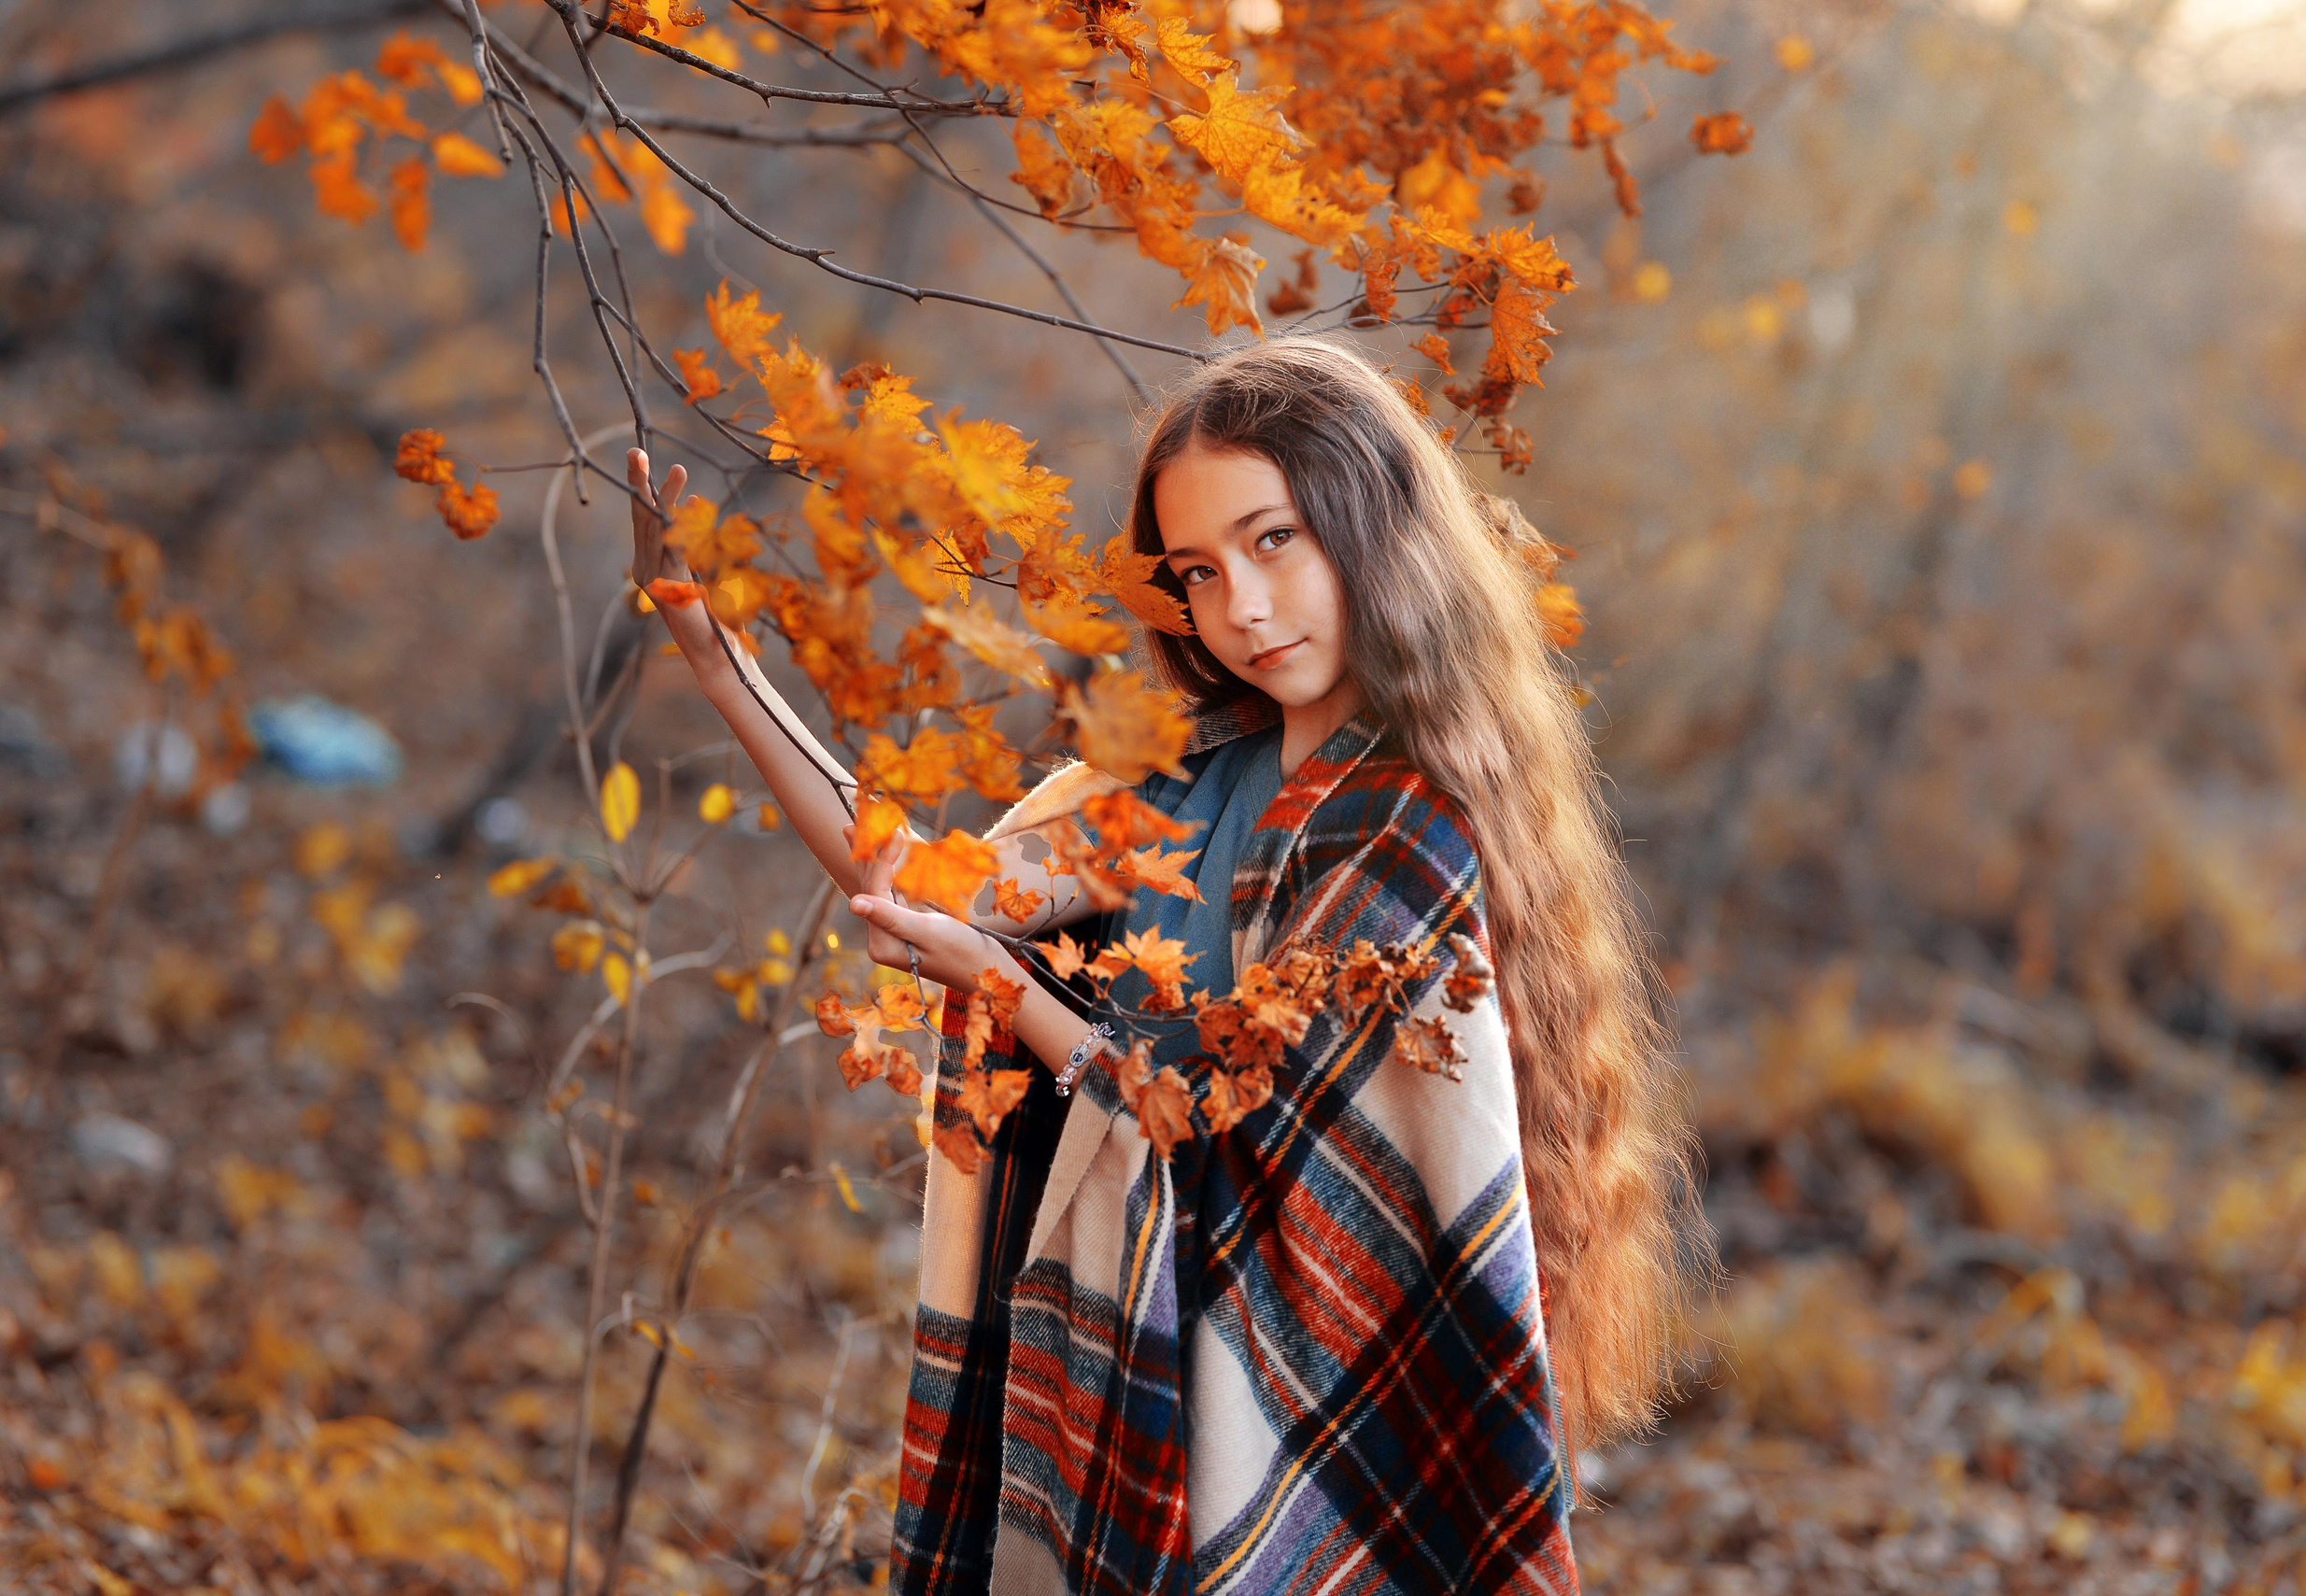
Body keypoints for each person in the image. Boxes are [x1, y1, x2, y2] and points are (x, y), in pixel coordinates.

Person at [627, 332, 1711, 1594]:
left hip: (1305, 1430)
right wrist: (714, 652)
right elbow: (921, 883)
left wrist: (1005, 988)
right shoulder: (1187, 781)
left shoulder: (1406, 830)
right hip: (1120, 1383)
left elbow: (1243, 1140)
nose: (1242, 607)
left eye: (1273, 541)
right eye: (1199, 569)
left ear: (1366, 525)